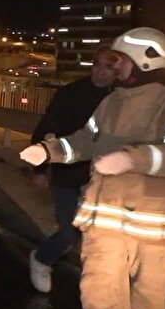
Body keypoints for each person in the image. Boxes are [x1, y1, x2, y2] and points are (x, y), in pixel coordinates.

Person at [19, 27, 165, 309]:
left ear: (144, 60)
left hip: (159, 223)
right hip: (107, 215)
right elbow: (84, 140)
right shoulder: (111, 102)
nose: (114, 67)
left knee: (152, 290)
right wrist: (49, 151)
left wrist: (130, 159)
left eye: (120, 60)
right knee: (100, 284)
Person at [27, 47, 118, 292]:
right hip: (68, 173)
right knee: (70, 231)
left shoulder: (122, 98)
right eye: (97, 65)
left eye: (108, 67)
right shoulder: (71, 94)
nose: (100, 72)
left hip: (104, 177)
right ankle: (42, 258)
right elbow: (46, 130)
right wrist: (40, 168)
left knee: (99, 231)